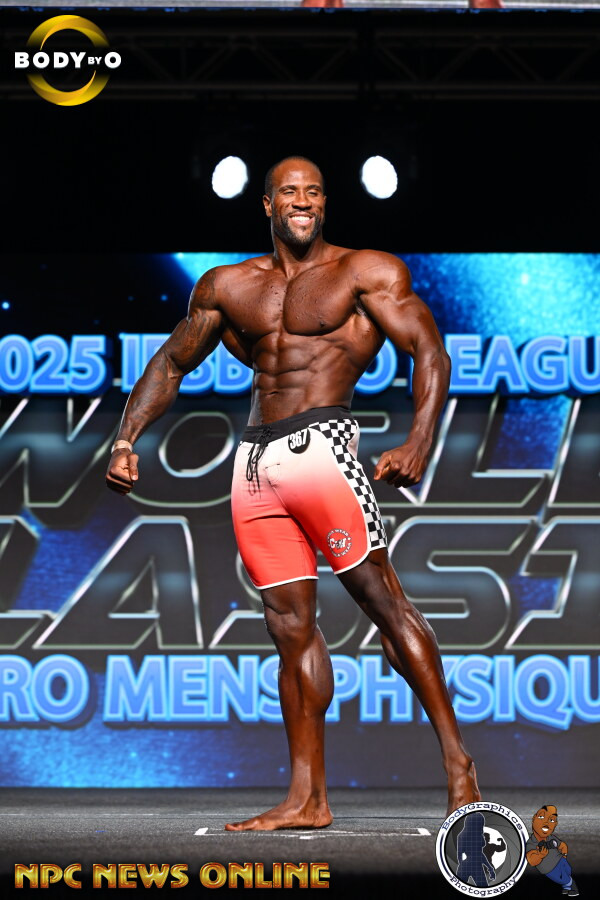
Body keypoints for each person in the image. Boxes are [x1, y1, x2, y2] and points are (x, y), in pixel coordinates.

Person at [106, 155, 480, 831]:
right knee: (289, 628)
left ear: (325, 203)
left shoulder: (365, 272)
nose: (302, 201)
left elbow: (429, 350)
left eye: (313, 192)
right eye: (289, 192)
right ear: (267, 205)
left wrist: (420, 439)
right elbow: (172, 361)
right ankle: (307, 798)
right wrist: (126, 439)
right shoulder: (227, 285)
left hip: (323, 452)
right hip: (253, 465)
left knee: (385, 607)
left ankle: (460, 769)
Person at [526, 806, 579, 897]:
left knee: (567, 872)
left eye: (551, 820)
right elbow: (531, 861)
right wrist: (540, 855)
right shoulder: (531, 843)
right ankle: (572, 885)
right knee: (562, 879)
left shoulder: (550, 838)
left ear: (555, 824)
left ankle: (567, 887)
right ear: (534, 819)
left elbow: (562, 845)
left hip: (560, 860)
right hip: (548, 868)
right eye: (541, 817)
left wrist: (564, 855)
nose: (546, 822)